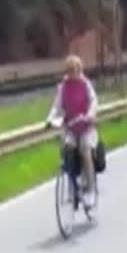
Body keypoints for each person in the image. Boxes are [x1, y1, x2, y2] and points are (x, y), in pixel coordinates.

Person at [45, 55, 99, 207]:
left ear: (80, 70)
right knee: (67, 150)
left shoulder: (85, 84)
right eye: (70, 71)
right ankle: (71, 186)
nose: (73, 74)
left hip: (86, 127)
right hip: (70, 127)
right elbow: (56, 105)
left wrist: (89, 115)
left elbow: (93, 101)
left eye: (75, 70)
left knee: (85, 151)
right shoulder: (63, 87)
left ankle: (90, 189)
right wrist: (50, 119)